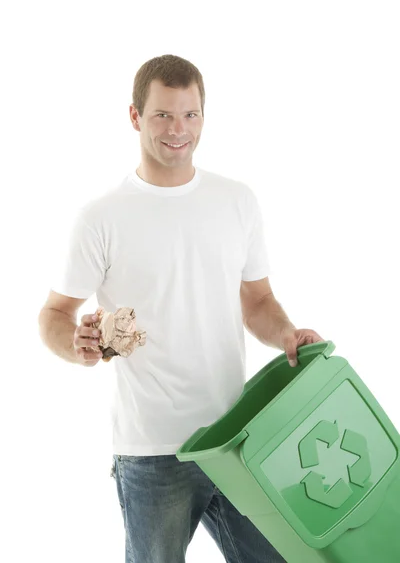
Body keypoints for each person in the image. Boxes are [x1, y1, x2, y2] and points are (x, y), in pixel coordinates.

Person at [38, 54, 323, 562]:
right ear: (134, 116)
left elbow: (257, 300)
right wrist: (76, 346)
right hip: (152, 451)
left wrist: (284, 333)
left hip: (234, 439)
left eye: (190, 115)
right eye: (163, 115)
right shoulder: (102, 217)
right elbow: (55, 315)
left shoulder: (236, 201)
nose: (177, 129)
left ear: (203, 117)